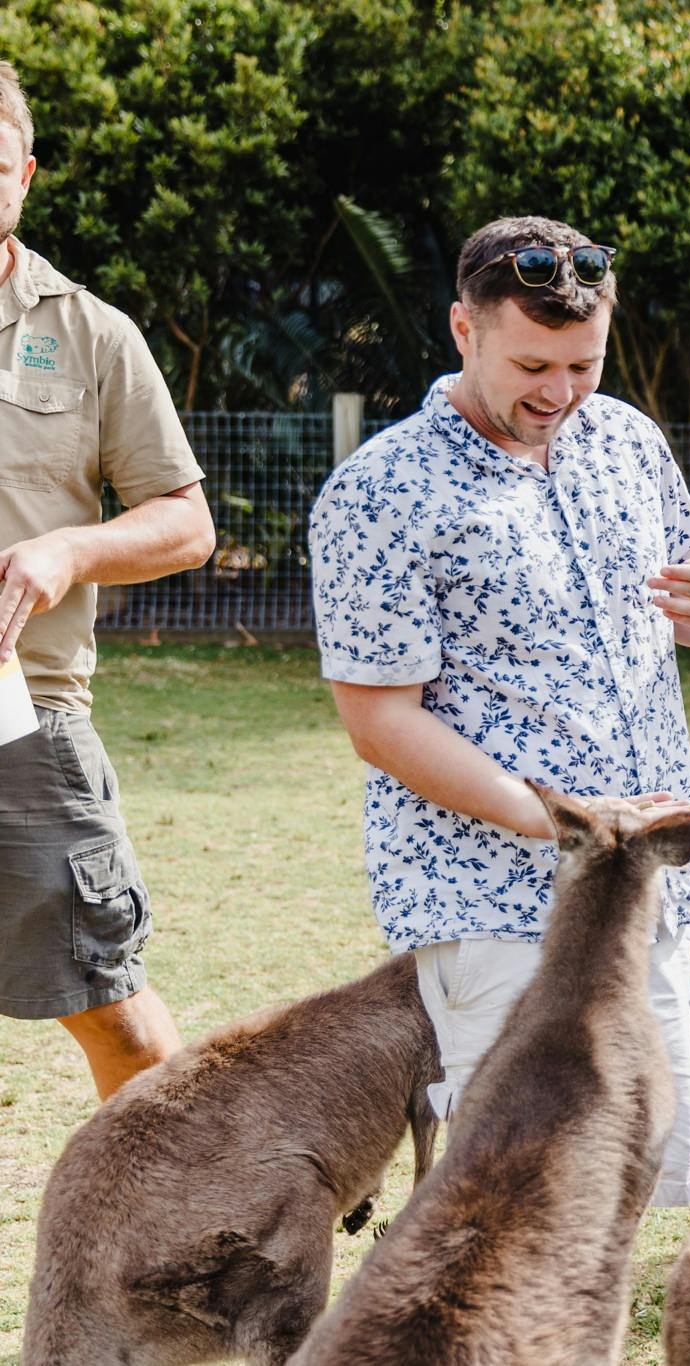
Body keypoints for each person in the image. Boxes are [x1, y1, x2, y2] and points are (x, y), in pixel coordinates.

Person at [309, 215, 690, 1207]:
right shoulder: (380, 490)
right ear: (462, 331)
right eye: (533, 365)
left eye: (583, 364)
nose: (559, 394)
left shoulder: (629, 444)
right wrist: (564, 823)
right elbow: (379, 720)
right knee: (512, 1204)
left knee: (637, 1178)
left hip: (645, 894)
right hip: (494, 902)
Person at [0, 61, 216, 1099]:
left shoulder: (91, 334)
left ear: (26, 175)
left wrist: (67, 551)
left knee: (117, 1015)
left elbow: (186, 522)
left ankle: (185, 1239)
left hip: (21, 713)